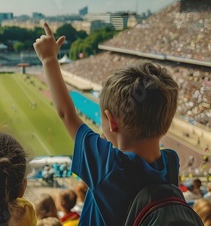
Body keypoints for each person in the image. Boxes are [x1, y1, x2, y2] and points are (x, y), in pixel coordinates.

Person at [33, 22, 180, 225]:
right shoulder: (171, 163)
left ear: (112, 121)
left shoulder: (108, 166)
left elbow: (67, 114)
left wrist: (49, 59)